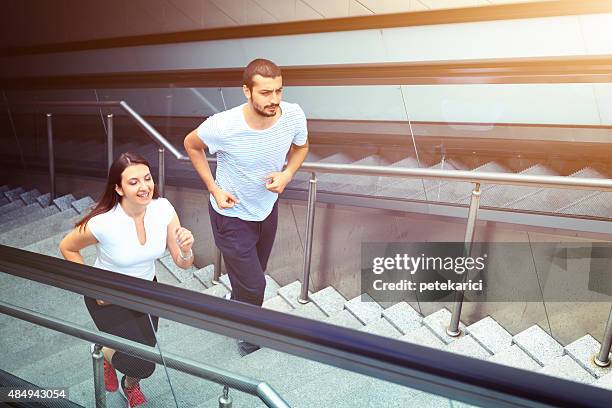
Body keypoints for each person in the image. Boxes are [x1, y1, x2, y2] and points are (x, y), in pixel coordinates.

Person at [184, 58, 308, 355]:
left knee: (253, 274)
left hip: (267, 209)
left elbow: (301, 146)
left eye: (278, 91)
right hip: (231, 215)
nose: (274, 99)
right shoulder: (223, 125)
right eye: (266, 93)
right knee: (255, 285)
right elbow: (191, 144)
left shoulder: (292, 115)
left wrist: (287, 174)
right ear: (246, 91)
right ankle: (248, 335)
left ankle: (237, 307)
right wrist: (214, 188)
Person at [59, 152, 194, 408]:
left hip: (146, 291)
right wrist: (94, 286)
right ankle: (105, 350)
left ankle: (129, 384)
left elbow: (182, 262)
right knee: (142, 362)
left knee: (146, 351)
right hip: (108, 297)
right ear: (119, 188)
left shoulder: (163, 209)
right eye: (134, 182)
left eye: (147, 178)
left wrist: (186, 249)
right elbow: (67, 247)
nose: (144, 187)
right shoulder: (103, 223)